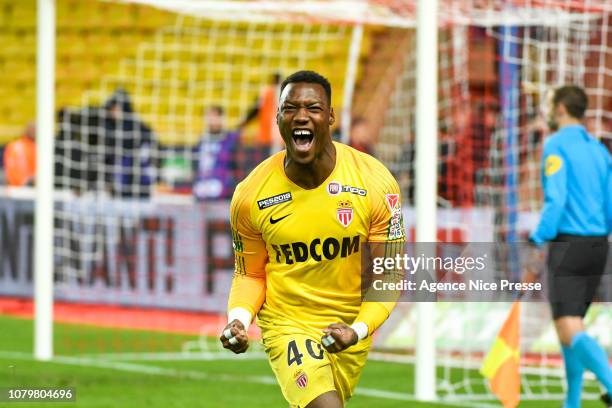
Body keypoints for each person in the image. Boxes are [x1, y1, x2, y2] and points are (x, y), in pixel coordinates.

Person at [219, 70, 405, 407]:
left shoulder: (375, 183)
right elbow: (249, 272)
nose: (301, 116)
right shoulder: (250, 195)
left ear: (330, 116)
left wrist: (358, 330)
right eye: (289, 108)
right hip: (287, 322)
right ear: (277, 118)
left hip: (348, 326)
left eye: (313, 108)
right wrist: (239, 318)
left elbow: (388, 274)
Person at [528, 85, 612, 408]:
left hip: (568, 244)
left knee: (568, 327)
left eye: (550, 104)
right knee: (571, 324)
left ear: (561, 108)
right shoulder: (599, 150)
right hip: (598, 246)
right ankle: (572, 402)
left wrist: (537, 238)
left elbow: (557, 200)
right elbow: (609, 204)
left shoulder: (555, 146)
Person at [103, 88, 157, 199]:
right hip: (123, 182)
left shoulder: (135, 126)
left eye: (114, 108)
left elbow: (151, 147)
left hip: (135, 182)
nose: (112, 112)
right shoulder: (112, 127)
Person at [192, 105, 239, 200]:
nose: (211, 120)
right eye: (209, 117)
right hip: (202, 184)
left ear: (221, 118)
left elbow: (235, 165)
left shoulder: (230, 139)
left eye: (215, 116)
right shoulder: (201, 140)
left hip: (222, 183)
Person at [240, 72, 283, 154]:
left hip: (267, 136)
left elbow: (255, 110)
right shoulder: (284, 94)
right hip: (275, 137)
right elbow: (255, 110)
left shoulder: (265, 92)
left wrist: (244, 122)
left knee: (267, 161)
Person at [3, 123, 36, 187]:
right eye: (32, 129)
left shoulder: (41, 148)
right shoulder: (15, 146)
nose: (34, 131)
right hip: (18, 188)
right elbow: (11, 170)